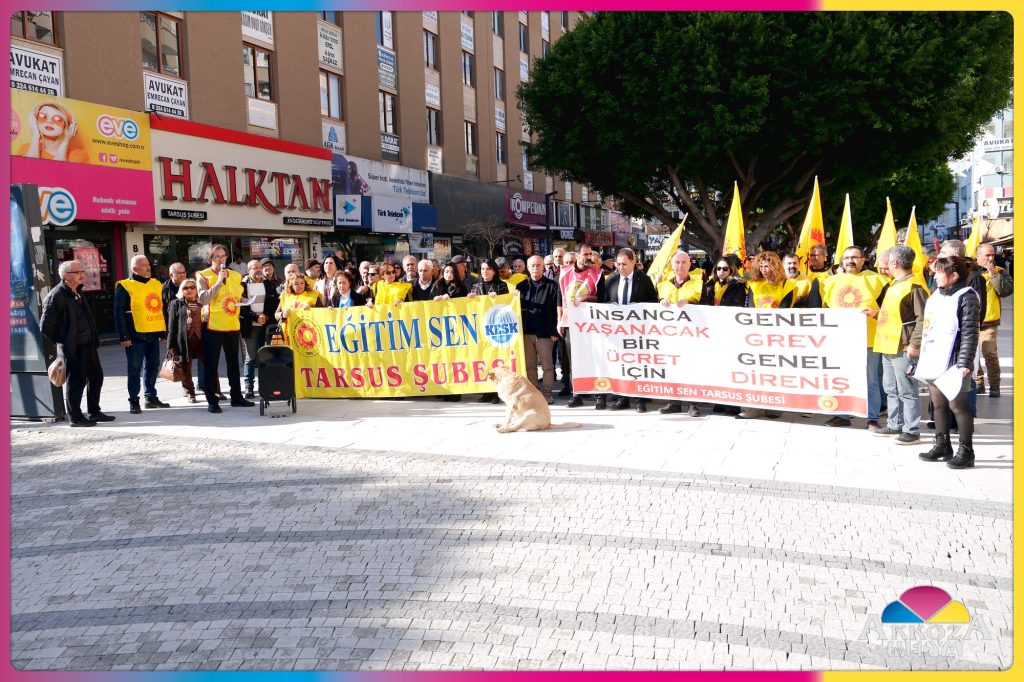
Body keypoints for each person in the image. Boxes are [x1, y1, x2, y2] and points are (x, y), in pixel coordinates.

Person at [916, 255, 980, 469]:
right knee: (938, 404)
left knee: (958, 406)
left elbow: (970, 332)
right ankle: (942, 445)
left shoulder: (967, 296)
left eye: (939, 272)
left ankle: (967, 451)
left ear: (954, 275)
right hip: (934, 358)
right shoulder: (936, 294)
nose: (934, 276)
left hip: (955, 360)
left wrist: (965, 362)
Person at [821, 245, 890, 429]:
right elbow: (825, 310)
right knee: (842, 379)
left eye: (854, 257)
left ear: (863, 259)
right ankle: (842, 415)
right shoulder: (831, 282)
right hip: (840, 340)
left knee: (870, 380)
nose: (850, 261)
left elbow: (888, 310)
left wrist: (875, 313)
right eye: (847, 258)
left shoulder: (878, 280)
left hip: (868, 339)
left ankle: (872, 417)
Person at [40, 260, 112, 426]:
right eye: (78, 272)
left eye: (82, 271)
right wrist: (64, 339)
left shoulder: (78, 291)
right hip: (73, 347)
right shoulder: (56, 295)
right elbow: (46, 327)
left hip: (88, 344)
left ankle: (94, 412)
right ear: (66, 276)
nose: (82, 274)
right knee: (76, 382)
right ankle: (75, 417)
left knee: (96, 377)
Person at [870, 246, 928, 444]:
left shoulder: (914, 286)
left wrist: (915, 344)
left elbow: (923, 318)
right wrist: (876, 314)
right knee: (890, 388)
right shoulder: (895, 284)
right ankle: (895, 423)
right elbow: (896, 314)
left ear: (894, 263)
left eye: (887, 262)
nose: (884, 266)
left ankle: (911, 430)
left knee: (907, 389)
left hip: (903, 346)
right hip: (887, 343)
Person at [196, 243, 254, 413]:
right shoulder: (203, 275)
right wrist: (219, 282)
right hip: (212, 326)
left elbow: (238, 296)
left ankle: (236, 397)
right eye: (217, 257)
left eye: (223, 256)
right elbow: (203, 299)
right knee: (211, 365)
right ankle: (212, 400)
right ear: (210, 259)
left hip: (232, 325)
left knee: (233, 364)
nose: (221, 260)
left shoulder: (235, 275)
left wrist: (245, 301)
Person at [600, 248, 658, 412]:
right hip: (617, 331)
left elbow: (653, 302)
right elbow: (603, 301)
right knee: (621, 363)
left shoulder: (644, 280)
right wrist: (609, 305)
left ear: (633, 262)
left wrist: (639, 306)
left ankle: (640, 399)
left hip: (638, 331)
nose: (621, 267)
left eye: (624, 264)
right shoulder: (611, 280)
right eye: (618, 264)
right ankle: (622, 398)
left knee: (639, 364)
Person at [114, 255, 170, 414]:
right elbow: (119, 313)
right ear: (134, 269)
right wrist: (124, 336)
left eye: (148, 264)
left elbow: (161, 308)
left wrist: (163, 331)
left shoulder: (156, 284)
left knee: (152, 367)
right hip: (135, 335)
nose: (148, 267)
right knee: (134, 369)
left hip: (153, 332)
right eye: (144, 265)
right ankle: (133, 401)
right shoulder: (125, 286)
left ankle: (150, 397)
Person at [657, 251, 704, 416]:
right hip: (670, 335)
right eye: (677, 262)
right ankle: (674, 402)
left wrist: (690, 304)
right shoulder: (663, 285)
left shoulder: (699, 284)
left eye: (684, 262)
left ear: (690, 264)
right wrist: (660, 301)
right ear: (672, 265)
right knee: (672, 366)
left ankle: (693, 403)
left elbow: (707, 306)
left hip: (692, 334)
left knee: (692, 367)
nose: (680, 266)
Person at [562, 245, 607, 408]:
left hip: (591, 324)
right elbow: (560, 297)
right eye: (584, 254)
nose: (588, 257)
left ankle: (600, 396)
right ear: (577, 255)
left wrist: (587, 297)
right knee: (574, 361)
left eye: (589, 254)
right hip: (570, 322)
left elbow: (602, 297)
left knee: (595, 359)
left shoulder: (597, 274)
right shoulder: (564, 272)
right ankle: (577, 394)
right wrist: (560, 320)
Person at [516, 255, 561, 404]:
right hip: (526, 332)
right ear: (528, 268)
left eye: (538, 265)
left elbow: (555, 310)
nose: (535, 268)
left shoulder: (552, 285)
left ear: (543, 267)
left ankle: (547, 393)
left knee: (547, 366)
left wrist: (554, 331)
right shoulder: (520, 286)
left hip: (545, 333)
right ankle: (533, 392)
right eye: (532, 265)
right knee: (530, 366)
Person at [973, 243, 1013, 397]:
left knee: (989, 353)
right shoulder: (970, 271)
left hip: (989, 321)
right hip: (971, 320)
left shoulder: (1000, 271)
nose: (990, 258)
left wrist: (993, 274)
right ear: (978, 256)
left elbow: (1006, 291)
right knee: (973, 354)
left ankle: (994, 384)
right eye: (987, 255)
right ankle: (978, 382)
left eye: (992, 255)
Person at [240, 258, 279, 399]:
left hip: (265, 326)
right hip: (249, 326)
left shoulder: (268, 284)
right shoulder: (242, 286)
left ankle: (264, 386)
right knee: (251, 357)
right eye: (254, 267)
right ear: (248, 270)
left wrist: (265, 316)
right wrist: (255, 317)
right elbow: (241, 307)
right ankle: (249, 387)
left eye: (259, 267)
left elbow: (274, 304)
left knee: (265, 357)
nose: (258, 270)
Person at [166, 278, 204, 403]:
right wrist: (170, 345)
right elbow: (172, 326)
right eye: (185, 288)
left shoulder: (202, 303)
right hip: (184, 341)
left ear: (196, 289)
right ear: (181, 290)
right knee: (185, 368)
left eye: (192, 287)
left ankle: (215, 390)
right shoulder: (175, 303)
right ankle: (190, 393)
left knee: (209, 366)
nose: (189, 290)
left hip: (202, 340)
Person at [19, 100, 88, 162]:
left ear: (69, 127)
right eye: (43, 116)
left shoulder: (78, 155)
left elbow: (58, 171)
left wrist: (65, 141)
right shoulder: (27, 148)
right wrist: (35, 136)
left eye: (58, 119)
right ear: (35, 122)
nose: (49, 121)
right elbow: (28, 169)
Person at [162, 262, 187, 328]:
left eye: (184, 272)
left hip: (187, 325)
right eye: (179, 273)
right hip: (170, 325)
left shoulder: (192, 287)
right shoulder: (163, 289)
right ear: (171, 275)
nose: (182, 275)